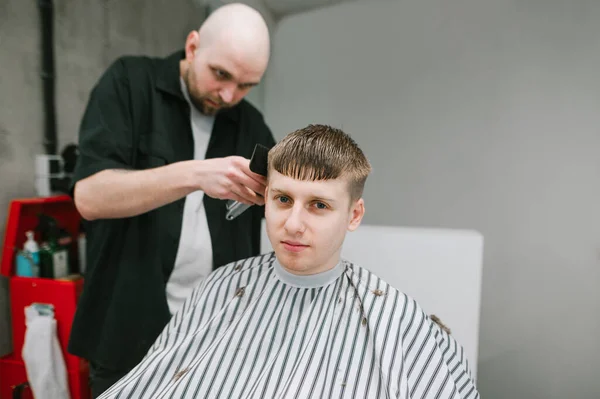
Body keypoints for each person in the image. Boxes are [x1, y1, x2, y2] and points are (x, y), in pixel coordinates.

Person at [97, 124, 480, 399]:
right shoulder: (221, 289)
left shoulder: (398, 322)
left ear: (354, 214)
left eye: (319, 205)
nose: (293, 224)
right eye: (282, 199)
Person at [67, 3, 275, 397]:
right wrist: (197, 174)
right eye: (221, 74)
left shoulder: (250, 124)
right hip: (127, 336)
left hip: (216, 340)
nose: (229, 94)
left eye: (247, 85)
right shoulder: (129, 84)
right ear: (193, 46)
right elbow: (90, 197)